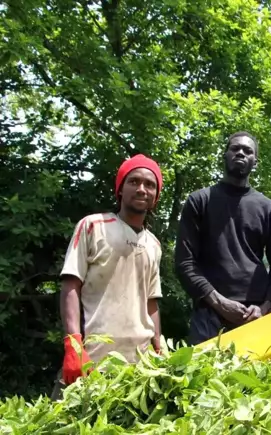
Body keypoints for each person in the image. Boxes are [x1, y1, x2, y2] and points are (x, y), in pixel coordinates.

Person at [56, 154, 164, 395]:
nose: (141, 189)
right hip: (92, 360)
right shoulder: (92, 226)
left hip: (140, 366)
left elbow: (151, 302)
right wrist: (73, 345)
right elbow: (71, 286)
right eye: (133, 181)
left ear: (156, 196)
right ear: (120, 189)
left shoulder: (153, 245)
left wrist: (159, 346)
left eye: (150, 184)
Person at [175, 131, 271, 345]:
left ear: (255, 161)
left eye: (248, 151)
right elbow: (185, 262)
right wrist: (219, 303)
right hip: (209, 314)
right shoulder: (199, 201)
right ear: (225, 155)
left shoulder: (269, 209)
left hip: (254, 317)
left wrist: (266, 308)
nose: (240, 153)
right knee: (204, 378)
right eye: (234, 148)